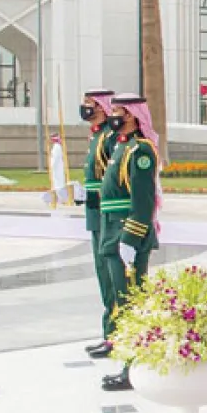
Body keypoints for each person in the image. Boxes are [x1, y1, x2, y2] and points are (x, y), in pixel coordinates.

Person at [97, 94, 161, 392]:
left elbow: (142, 200)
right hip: (112, 229)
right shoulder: (121, 146)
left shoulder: (141, 151)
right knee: (122, 303)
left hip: (127, 231)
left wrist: (131, 238)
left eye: (120, 112)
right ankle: (129, 362)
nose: (114, 116)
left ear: (135, 116)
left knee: (131, 302)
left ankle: (135, 366)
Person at [80, 89, 118, 360]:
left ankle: (116, 335)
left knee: (112, 276)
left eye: (89, 104)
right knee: (103, 274)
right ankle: (109, 334)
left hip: (107, 212)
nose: (84, 108)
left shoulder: (109, 137)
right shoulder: (96, 135)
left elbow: (113, 178)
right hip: (96, 212)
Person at [46, 134, 69, 213]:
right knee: (58, 183)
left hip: (57, 168)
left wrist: (51, 167)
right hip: (57, 168)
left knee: (58, 184)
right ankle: (60, 199)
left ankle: (61, 199)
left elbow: (54, 159)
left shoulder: (56, 147)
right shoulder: (57, 147)